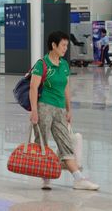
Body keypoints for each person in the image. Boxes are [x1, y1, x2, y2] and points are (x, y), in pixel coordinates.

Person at [29, 31, 99, 191]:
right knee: (42, 143)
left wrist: (69, 108)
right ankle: (45, 179)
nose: (65, 48)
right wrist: (34, 111)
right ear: (53, 45)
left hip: (60, 109)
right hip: (44, 108)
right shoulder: (42, 64)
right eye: (63, 45)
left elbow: (67, 87)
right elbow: (33, 88)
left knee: (65, 143)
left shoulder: (64, 65)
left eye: (67, 45)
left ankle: (78, 179)